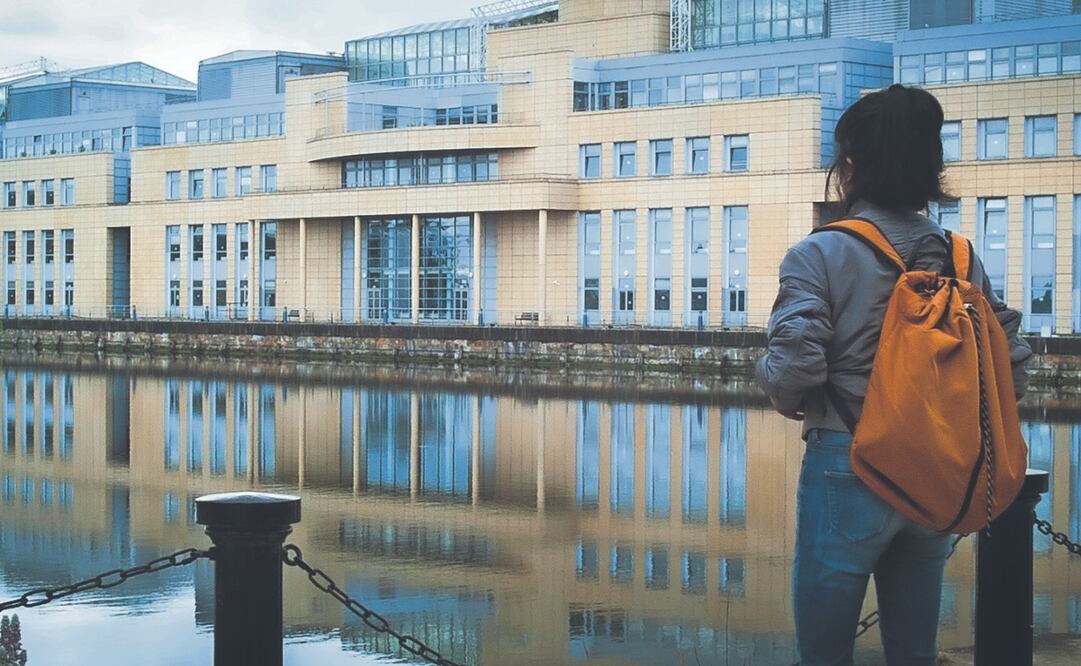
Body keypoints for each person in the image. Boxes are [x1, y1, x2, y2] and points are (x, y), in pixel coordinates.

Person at [755, 83, 1032, 665]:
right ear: (930, 167)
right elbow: (1010, 367)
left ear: (850, 166)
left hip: (847, 462)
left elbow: (795, 365)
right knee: (914, 650)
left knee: (825, 652)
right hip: (935, 468)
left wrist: (779, 388)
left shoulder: (819, 253)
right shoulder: (961, 256)